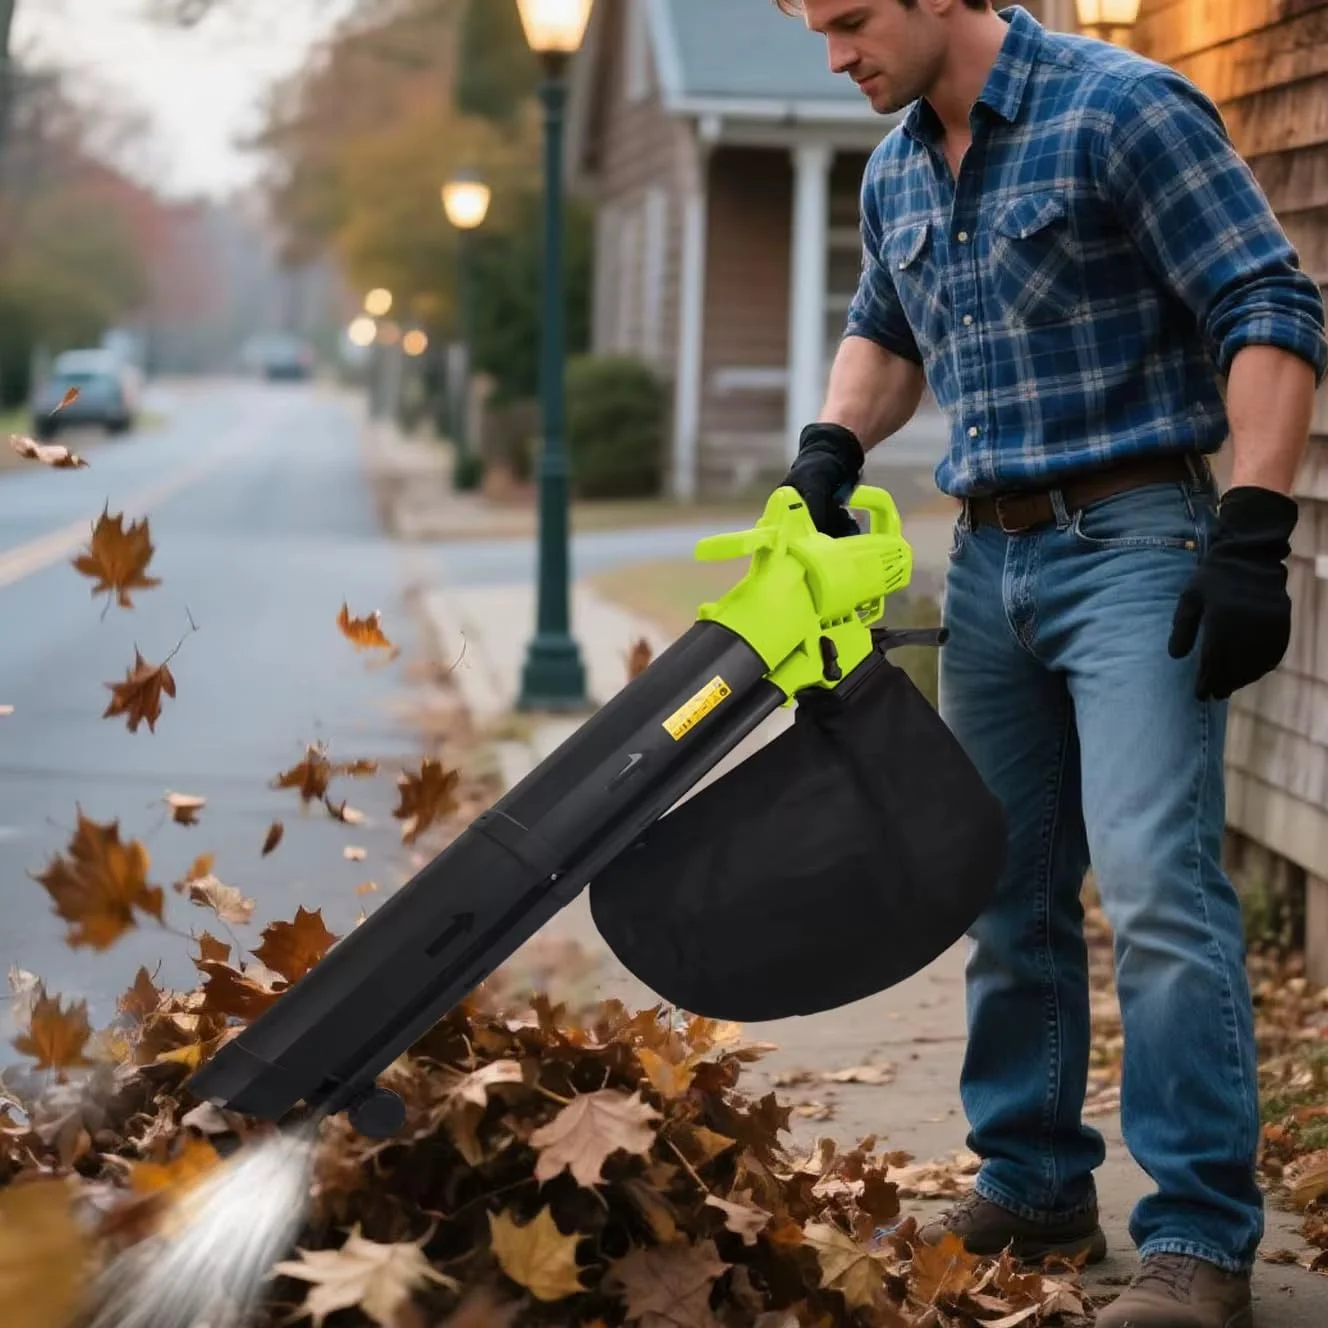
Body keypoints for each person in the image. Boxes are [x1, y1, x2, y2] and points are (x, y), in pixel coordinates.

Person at [771, 2, 1328, 1325]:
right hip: (988, 563)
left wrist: (1254, 527)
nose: (834, 56)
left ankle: (1197, 1235)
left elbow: (1269, 300)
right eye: (815, 29)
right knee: (1002, 886)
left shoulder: (1120, 108)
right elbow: (886, 332)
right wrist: (832, 442)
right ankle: (1031, 1181)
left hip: (1137, 541)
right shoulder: (900, 162)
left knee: (1152, 885)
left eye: (850, 22)